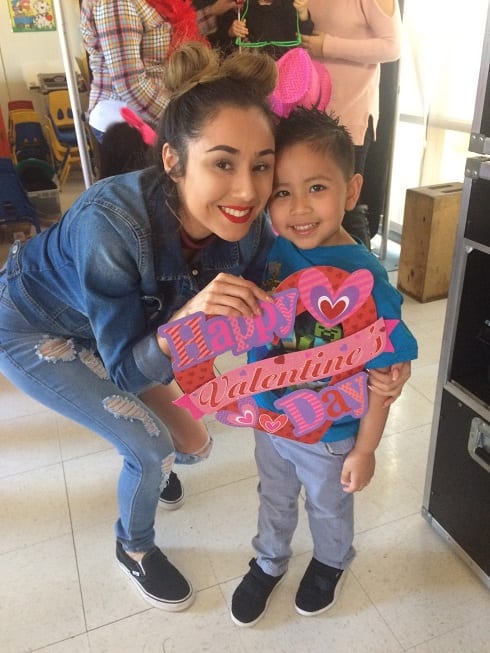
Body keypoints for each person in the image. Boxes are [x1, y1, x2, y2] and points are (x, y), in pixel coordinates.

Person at [0, 42, 408, 614]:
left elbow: (325, 284)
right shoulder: (109, 225)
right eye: (223, 162)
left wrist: (386, 358)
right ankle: (133, 547)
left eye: (260, 165)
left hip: (127, 327)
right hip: (37, 327)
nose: (248, 192)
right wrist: (188, 322)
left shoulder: (253, 231)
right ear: (172, 160)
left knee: (194, 443)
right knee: (148, 448)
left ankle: (159, 466)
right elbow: (123, 370)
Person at [230, 107, 417, 627]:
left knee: (329, 507)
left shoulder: (367, 278)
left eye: (317, 188)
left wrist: (366, 448)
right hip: (271, 418)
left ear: (351, 190)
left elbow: (385, 374)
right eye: (283, 193)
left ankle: (332, 562)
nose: (298, 208)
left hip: (332, 433)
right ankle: (268, 559)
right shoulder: (273, 249)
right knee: (274, 496)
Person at [300, 0, 402, 246]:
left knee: (346, 204)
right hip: (309, 113)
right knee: (312, 201)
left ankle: (370, 279)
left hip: (350, 115)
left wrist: (328, 46)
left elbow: (392, 47)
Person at [80, 0, 237, 137]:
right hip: (126, 122)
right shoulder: (116, 3)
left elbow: (171, 33)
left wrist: (213, 12)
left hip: (154, 116)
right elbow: (131, 85)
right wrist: (183, 121)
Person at [229, 0, 314, 60]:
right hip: (256, 66)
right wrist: (233, 31)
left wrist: (303, 12)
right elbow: (229, 40)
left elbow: (305, 37)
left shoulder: (290, 5)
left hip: (286, 65)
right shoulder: (245, 6)